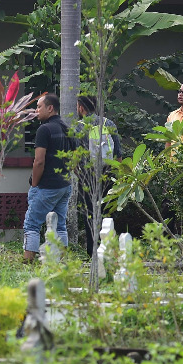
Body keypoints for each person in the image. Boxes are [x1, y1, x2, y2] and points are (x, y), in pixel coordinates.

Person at [23, 93, 80, 261]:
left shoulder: (44, 130)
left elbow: (39, 161)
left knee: (32, 224)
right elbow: (74, 160)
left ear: (50, 108)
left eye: (39, 107)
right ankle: (62, 260)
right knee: (60, 224)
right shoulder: (67, 129)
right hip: (64, 186)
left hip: (47, 186)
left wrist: (34, 184)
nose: (36, 110)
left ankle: (28, 261)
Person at [76, 95, 119, 256]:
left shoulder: (78, 128)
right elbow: (118, 155)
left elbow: (73, 158)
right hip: (108, 175)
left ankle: (92, 252)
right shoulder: (109, 124)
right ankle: (108, 250)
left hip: (87, 177)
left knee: (90, 214)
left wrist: (79, 173)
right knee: (107, 213)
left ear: (81, 107)